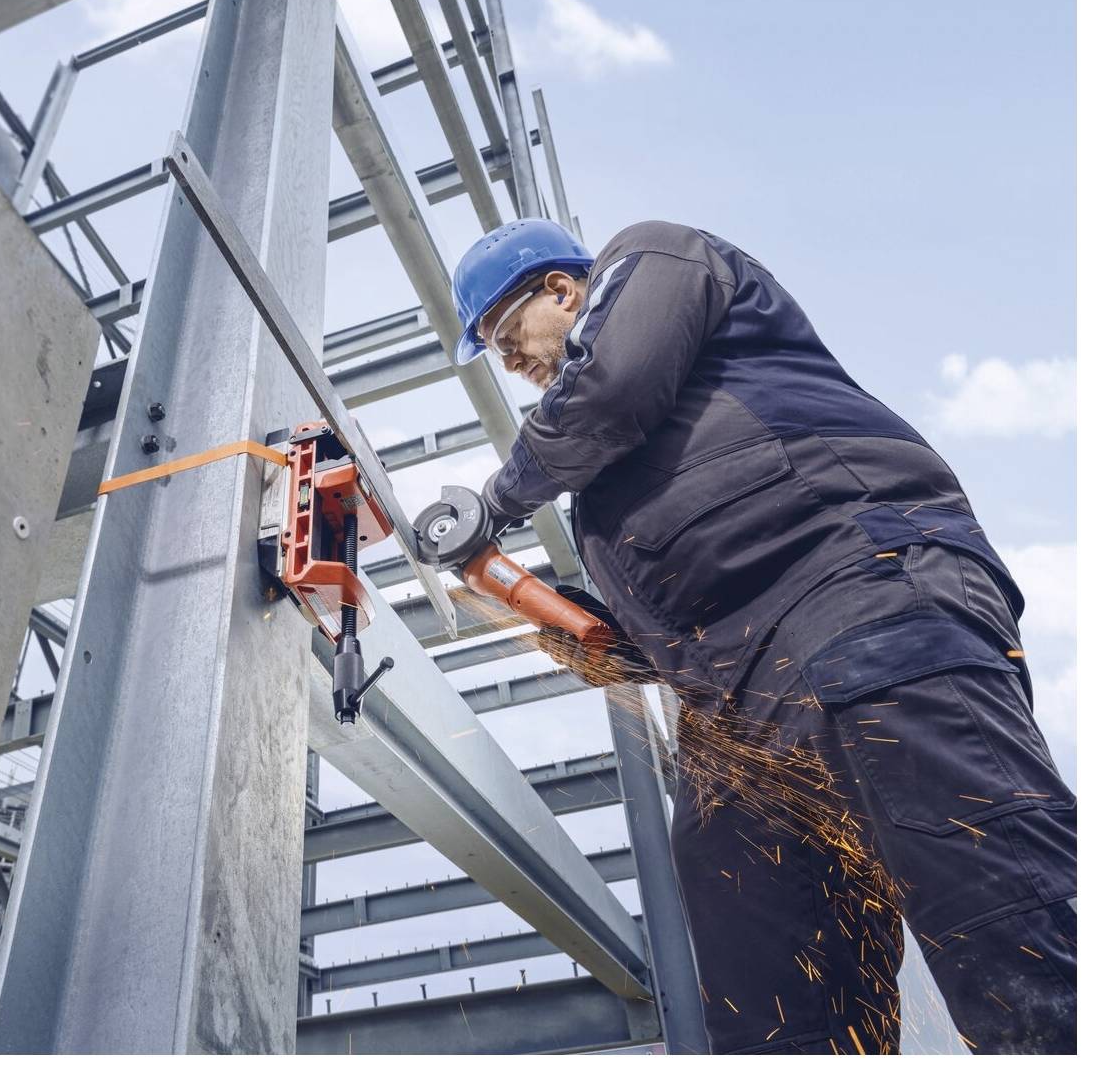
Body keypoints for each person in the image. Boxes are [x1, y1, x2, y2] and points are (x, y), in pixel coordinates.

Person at [443, 218, 1076, 1054]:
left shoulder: (654, 257)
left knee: (1006, 919)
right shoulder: (603, 491)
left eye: (500, 332)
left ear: (559, 289)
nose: (507, 359)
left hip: (856, 597)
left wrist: (498, 498)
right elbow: (654, 636)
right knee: (776, 1004)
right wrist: (567, 626)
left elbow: (612, 386)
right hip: (736, 710)